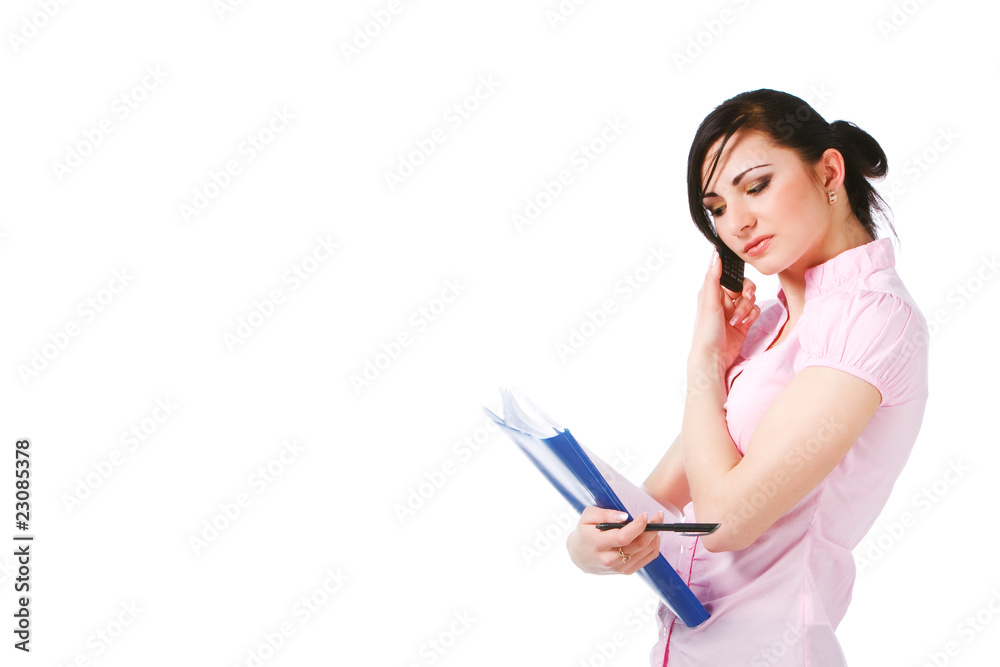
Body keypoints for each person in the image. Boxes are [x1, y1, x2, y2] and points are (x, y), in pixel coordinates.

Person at [565, 89, 929, 666]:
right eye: (715, 208)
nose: (737, 223)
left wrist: (705, 363)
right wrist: (590, 546)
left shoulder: (871, 316)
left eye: (755, 186)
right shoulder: (767, 328)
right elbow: (653, 505)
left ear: (829, 170)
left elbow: (726, 520)